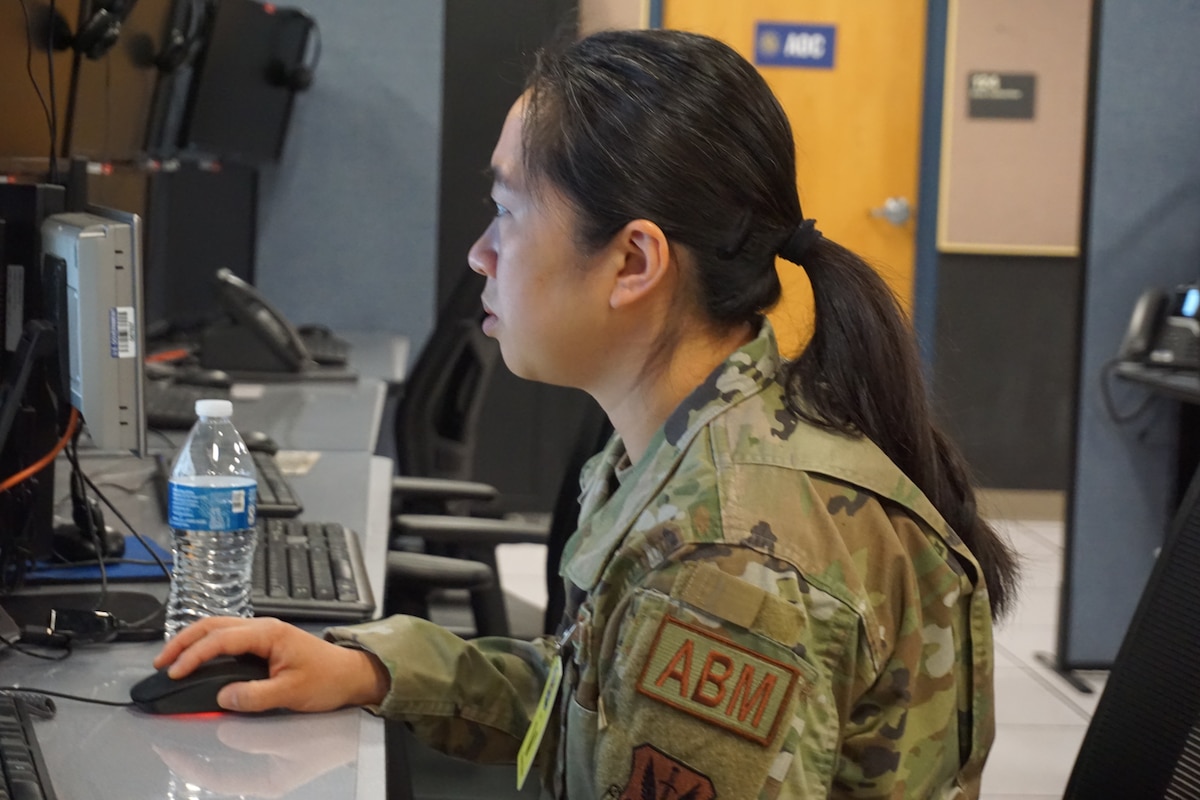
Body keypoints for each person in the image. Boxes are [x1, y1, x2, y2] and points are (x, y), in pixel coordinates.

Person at [156, 28, 1019, 799]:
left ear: (634, 261)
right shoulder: (695, 441)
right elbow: (595, 697)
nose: (479, 253)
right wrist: (370, 668)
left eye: (506, 212)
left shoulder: (728, 562)